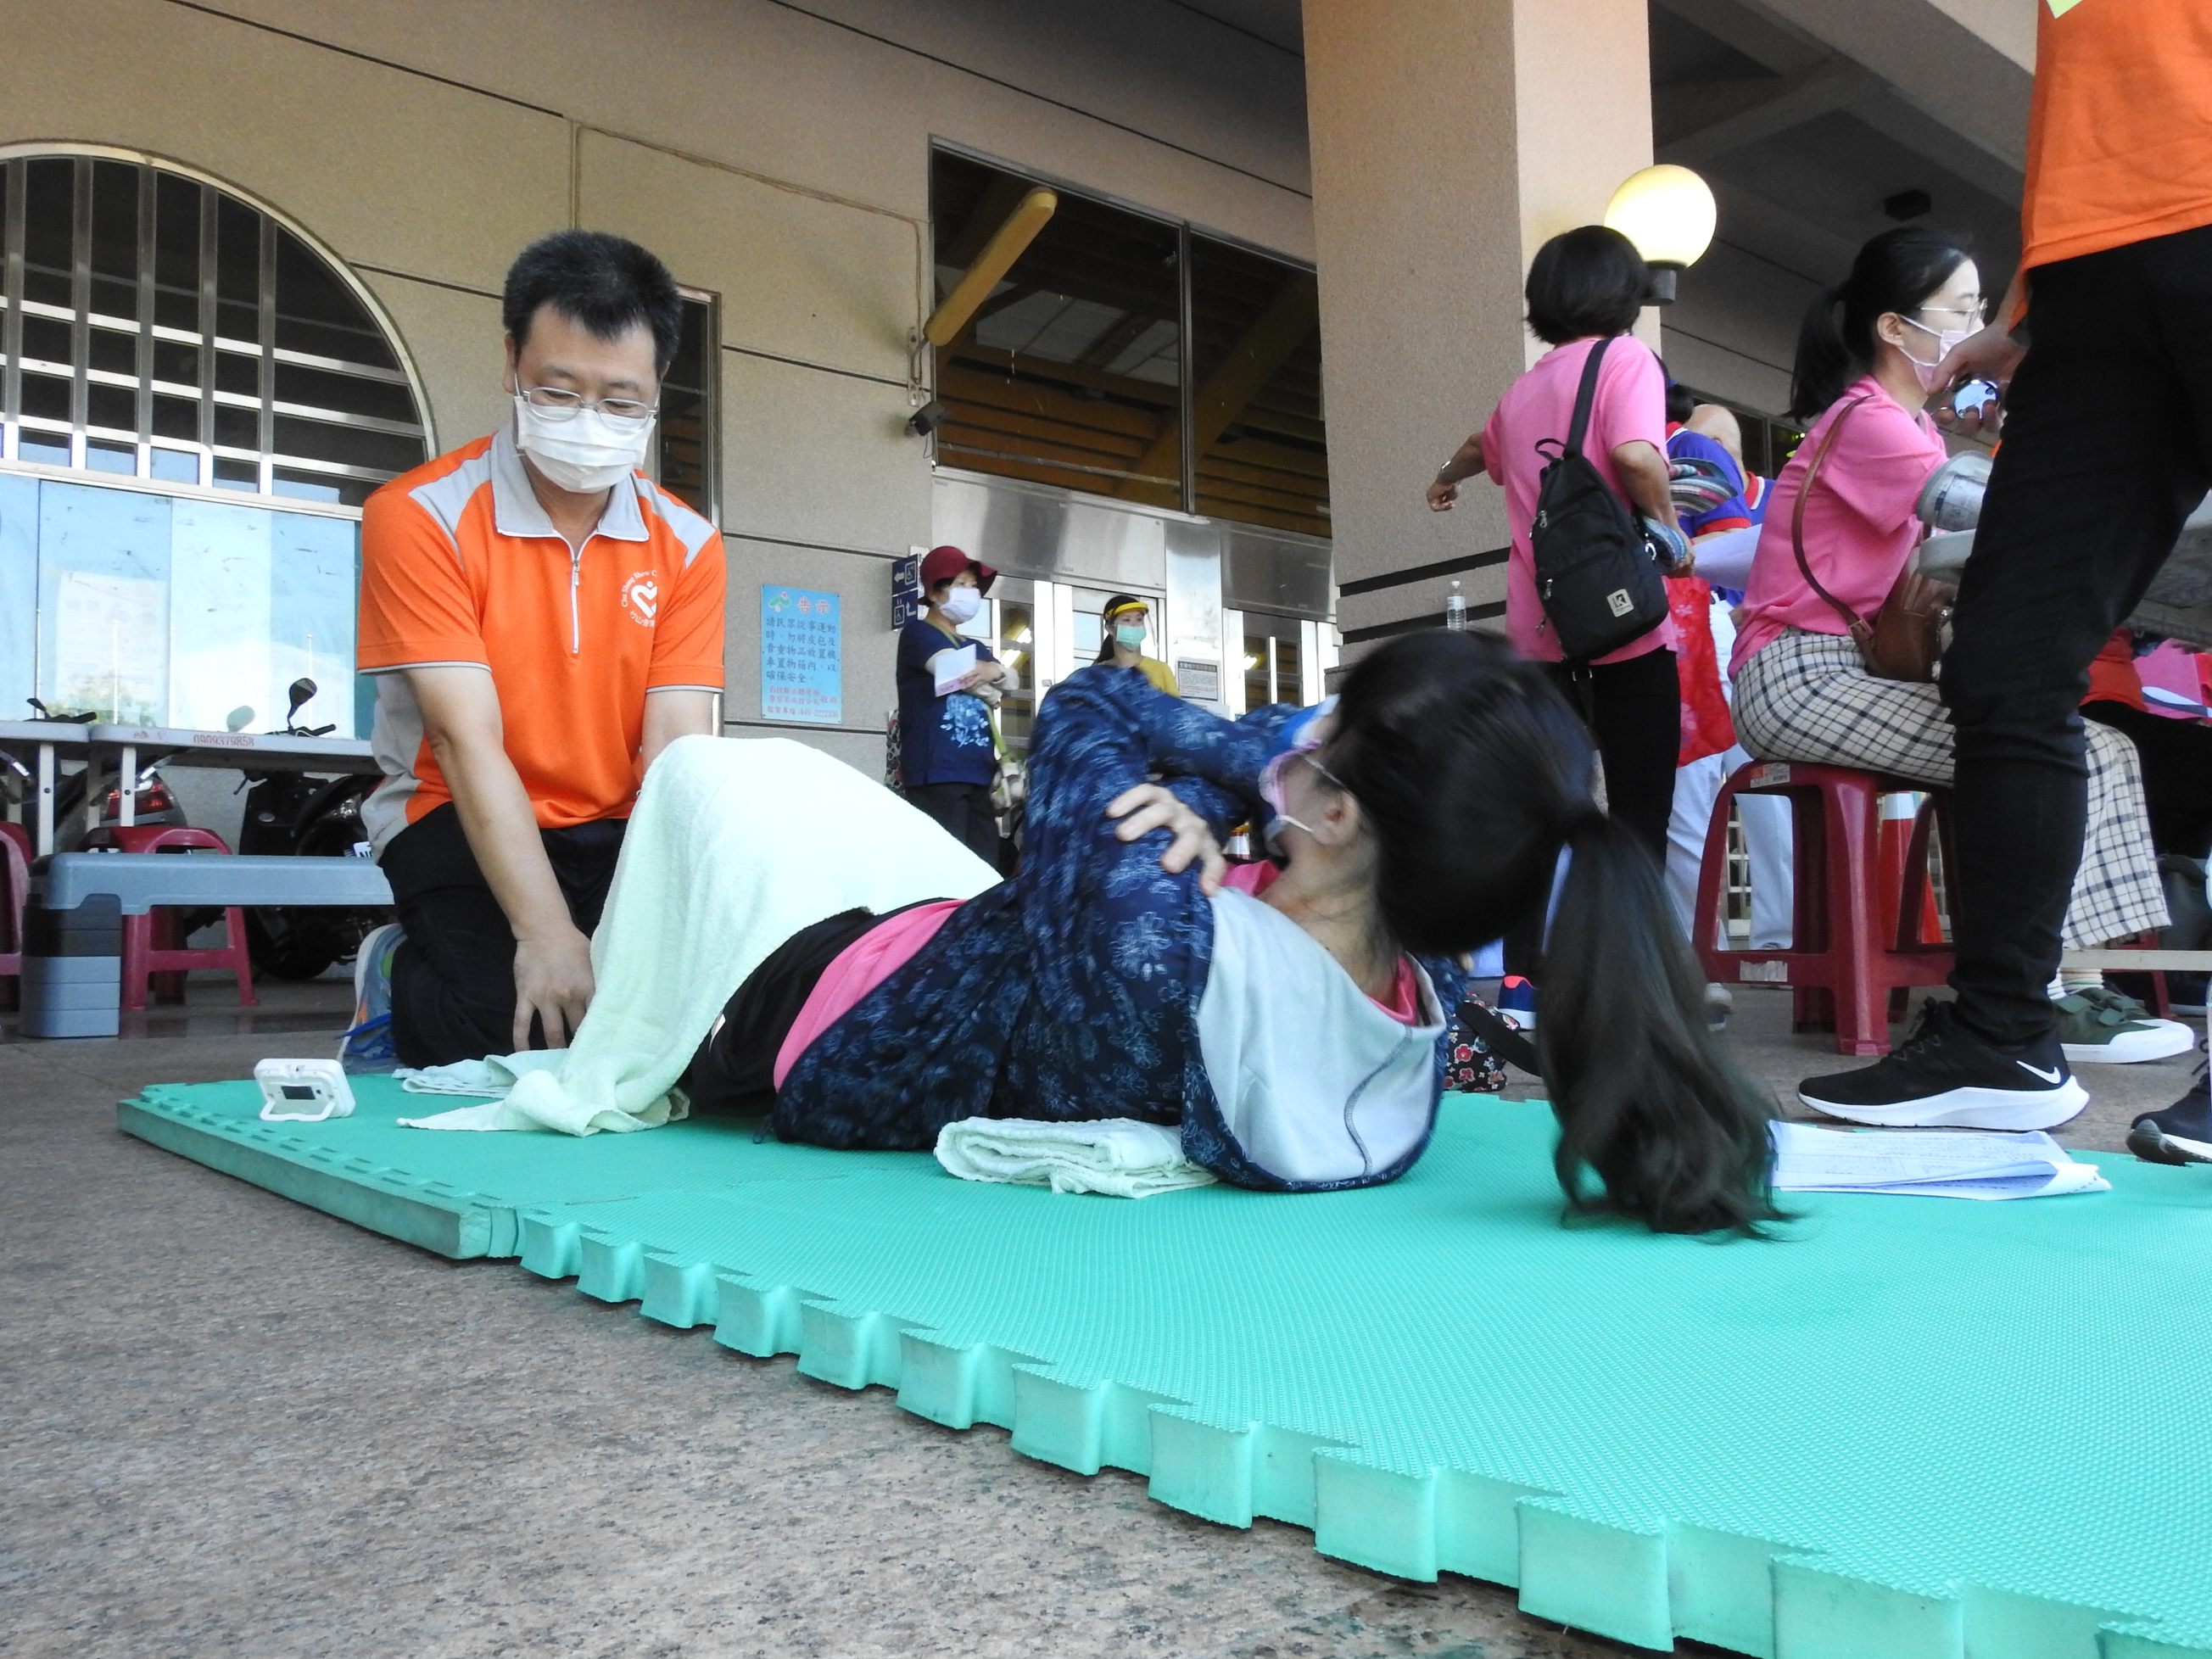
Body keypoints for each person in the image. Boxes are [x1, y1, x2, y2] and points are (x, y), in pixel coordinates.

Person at [680, 630, 1779, 1234]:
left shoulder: (1145, 927)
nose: (1288, 736)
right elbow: (1303, 801)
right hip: (980, 937)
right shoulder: (1416, 994)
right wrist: (1232, 805)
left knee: (708, 785)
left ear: (1340, 811)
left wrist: (1221, 790)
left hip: (828, 999)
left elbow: (1090, 703)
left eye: (1318, 729)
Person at [1724, 226, 2167, 1126]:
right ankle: (2060, 989)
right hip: (1800, 677)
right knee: (2078, 749)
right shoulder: (1879, 425)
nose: (1972, 328)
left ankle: (2047, 988)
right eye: (1960, 312)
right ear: (1896, 327)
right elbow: (1993, 520)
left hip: (1825, 673)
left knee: (2068, 745)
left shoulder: (1894, 423)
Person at [349, 230, 725, 1070]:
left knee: (683, 1041)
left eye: (621, 400)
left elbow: (676, 749)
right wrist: (548, 934)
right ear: (511, 360)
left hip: (614, 820)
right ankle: (402, 974)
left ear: (657, 386)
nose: (589, 420)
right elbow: (462, 738)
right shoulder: (421, 517)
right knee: (520, 1030)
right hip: (453, 810)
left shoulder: (689, 545)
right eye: (558, 390)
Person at [1427, 225, 1690, 862]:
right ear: (1623, 292)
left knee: (1544, 818)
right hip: (1622, 623)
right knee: (1637, 817)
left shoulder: (1521, 391)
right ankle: (1624, 959)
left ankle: (1530, 962)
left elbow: (1473, 448)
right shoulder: (1624, 359)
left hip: (1541, 637)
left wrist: (1440, 479)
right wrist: (1671, 530)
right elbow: (1633, 454)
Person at [897, 544, 1014, 865]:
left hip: (979, 773)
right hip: (937, 773)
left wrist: (994, 671)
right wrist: (992, 683)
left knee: (984, 870)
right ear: (935, 593)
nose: (971, 592)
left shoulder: (974, 645)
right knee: (946, 869)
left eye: (974, 586)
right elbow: (955, 672)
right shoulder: (918, 633)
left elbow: (1012, 680)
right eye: (961, 584)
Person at [1094, 594, 1180, 695]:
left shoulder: (1161, 670)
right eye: (1126, 620)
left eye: (1139, 619)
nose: (1134, 625)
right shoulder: (1097, 673)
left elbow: (1176, 708)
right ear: (1110, 629)